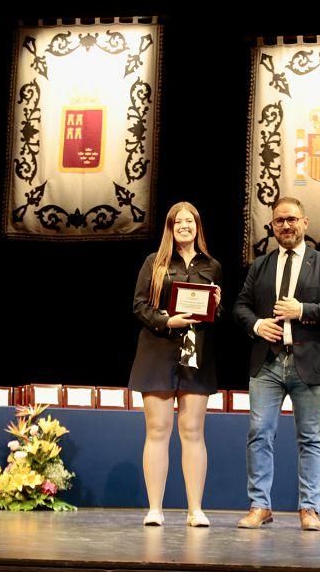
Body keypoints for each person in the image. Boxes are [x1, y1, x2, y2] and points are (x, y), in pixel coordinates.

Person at [233, 196, 320, 531]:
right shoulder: (261, 265)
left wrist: (303, 310)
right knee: (259, 433)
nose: (286, 225)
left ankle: (309, 508)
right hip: (267, 363)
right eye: (279, 221)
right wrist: (257, 325)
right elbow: (240, 307)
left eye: (292, 219)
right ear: (272, 226)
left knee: (311, 438)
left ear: (305, 223)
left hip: (310, 363)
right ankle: (260, 506)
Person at [128, 202, 222, 527]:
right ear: (170, 227)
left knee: (193, 430)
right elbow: (139, 306)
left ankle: (195, 510)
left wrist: (216, 306)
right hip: (158, 351)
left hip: (196, 354)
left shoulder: (212, 265)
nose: (184, 225)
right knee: (157, 429)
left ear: (198, 226)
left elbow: (212, 317)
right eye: (177, 221)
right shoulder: (154, 263)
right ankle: (155, 509)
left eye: (189, 220)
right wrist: (168, 321)